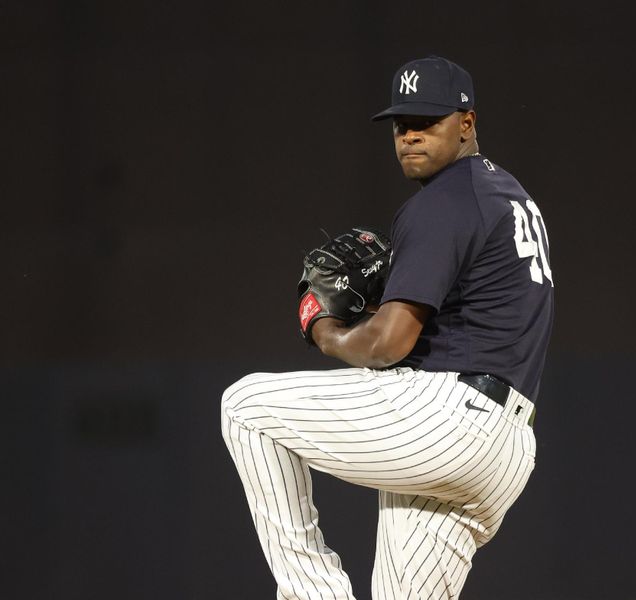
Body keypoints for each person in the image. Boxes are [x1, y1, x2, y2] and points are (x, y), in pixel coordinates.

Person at [221, 55, 554, 600]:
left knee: (247, 407)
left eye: (427, 122)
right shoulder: (508, 193)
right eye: (402, 125)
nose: (410, 136)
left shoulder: (444, 200)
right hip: (506, 449)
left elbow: (388, 345)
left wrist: (325, 330)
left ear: (466, 121)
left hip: (449, 421)